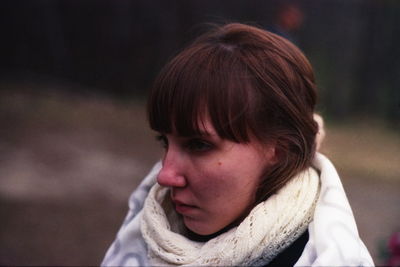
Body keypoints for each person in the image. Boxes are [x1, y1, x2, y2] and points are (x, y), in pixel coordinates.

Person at [101, 23, 373, 266]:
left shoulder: (325, 257)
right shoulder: (150, 228)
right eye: (164, 141)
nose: (165, 175)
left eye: (198, 145)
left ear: (280, 148)